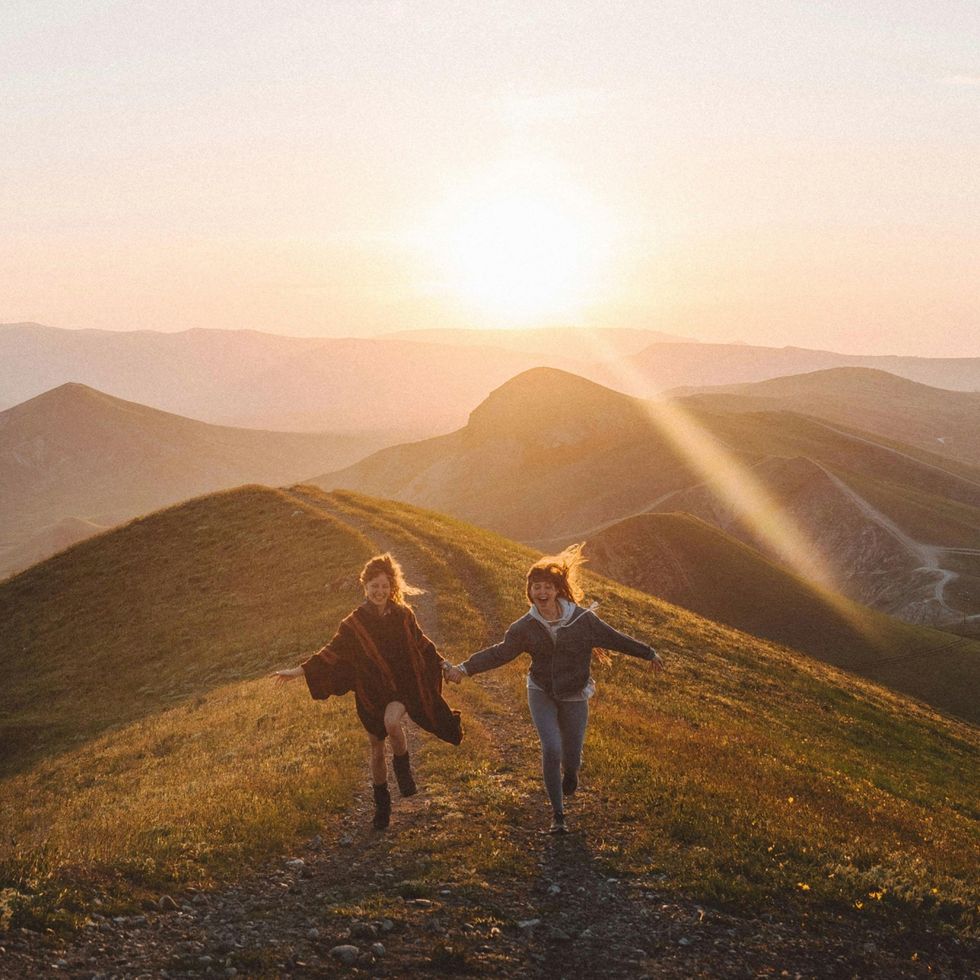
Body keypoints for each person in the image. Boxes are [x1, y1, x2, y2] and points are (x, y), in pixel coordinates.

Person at [446, 546, 662, 834]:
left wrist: (648, 653)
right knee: (551, 747)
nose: (542, 592)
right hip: (541, 690)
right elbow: (500, 653)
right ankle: (558, 815)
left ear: (558, 590)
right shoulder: (525, 626)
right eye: (537, 587)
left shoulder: (582, 620)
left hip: (574, 693)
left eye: (547, 587)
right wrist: (464, 669)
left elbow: (613, 638)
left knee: (572, 756)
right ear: (530, 592)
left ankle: (571, 773)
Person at [272, 553, 462, 830]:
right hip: (370, 692)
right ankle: (382, 808)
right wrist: (299, 671)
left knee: (392, 722)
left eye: (384, 586)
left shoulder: (403, 615)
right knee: (375, 749)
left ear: (392, 587)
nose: (379, 591)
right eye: (374, 586)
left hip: (401, 688)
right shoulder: (353, 623)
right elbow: (331, 652)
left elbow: (423, 644)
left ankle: (403, 768)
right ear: (366, 587)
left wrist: (444, 664)